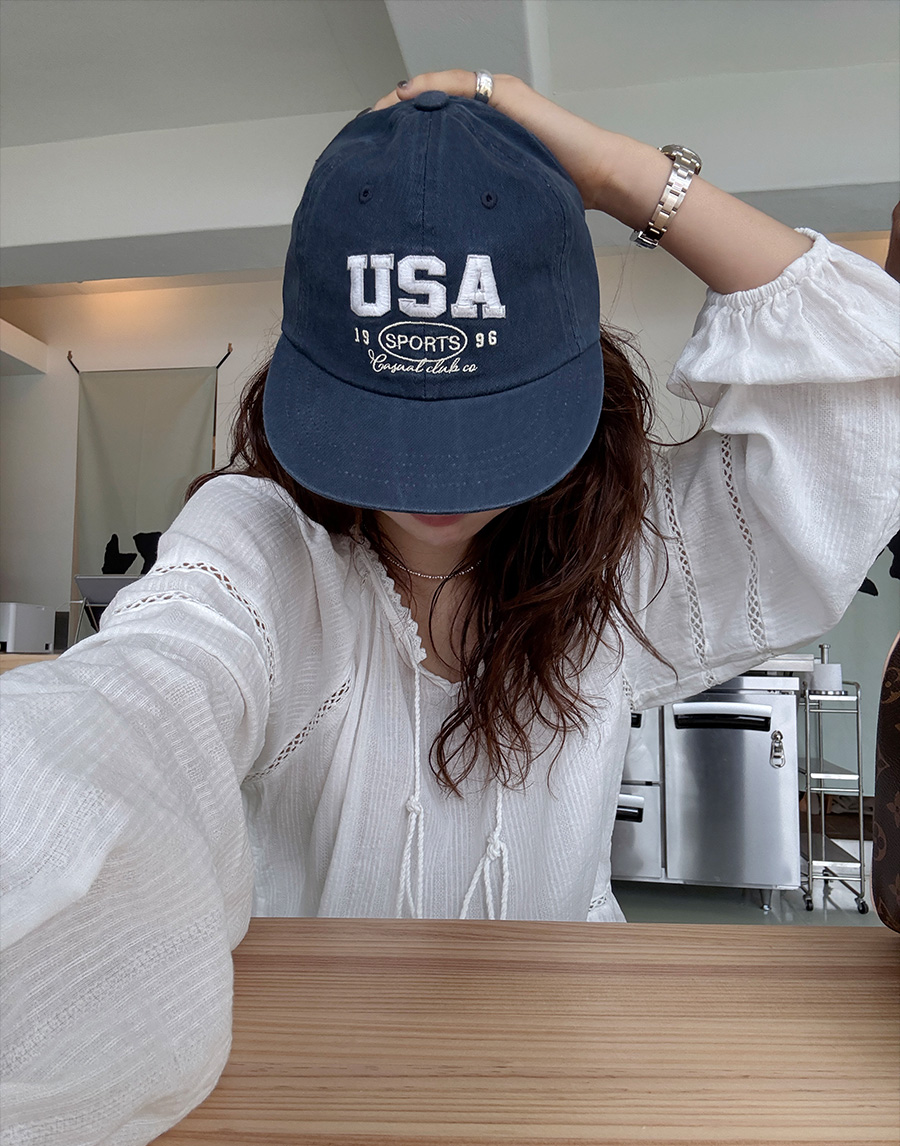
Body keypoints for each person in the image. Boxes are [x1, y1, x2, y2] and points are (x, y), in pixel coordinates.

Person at [1, 68, 898, 1144]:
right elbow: (138, 698)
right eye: (388, 419)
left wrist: (616, 174)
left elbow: (866, 405)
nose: (436, 483)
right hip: (303, 1072)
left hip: (569, 1058)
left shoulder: (623, 556)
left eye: (486, 417)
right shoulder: (259, 547)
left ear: (582, 376)